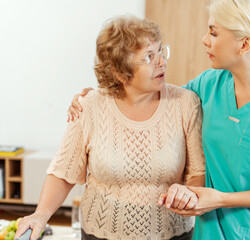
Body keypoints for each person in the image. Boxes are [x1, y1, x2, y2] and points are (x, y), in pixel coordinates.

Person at [67, 0, 250, 239]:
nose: (205, 40)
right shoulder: (208, 85)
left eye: (214, 33)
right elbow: (152, 97)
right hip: (209, 232)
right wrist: (100, 97)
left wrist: (222, 199)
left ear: (244, 44)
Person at [15, 16, 205, 240]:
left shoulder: (185, 103)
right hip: (100, 233)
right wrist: (41, 214)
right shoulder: (89, 106)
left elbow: (197, 173)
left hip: (172, 235)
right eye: (149, 57)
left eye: (161, 51)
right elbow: (64, 172)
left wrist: (186, 193)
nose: (162, 62)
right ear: (120, 72)